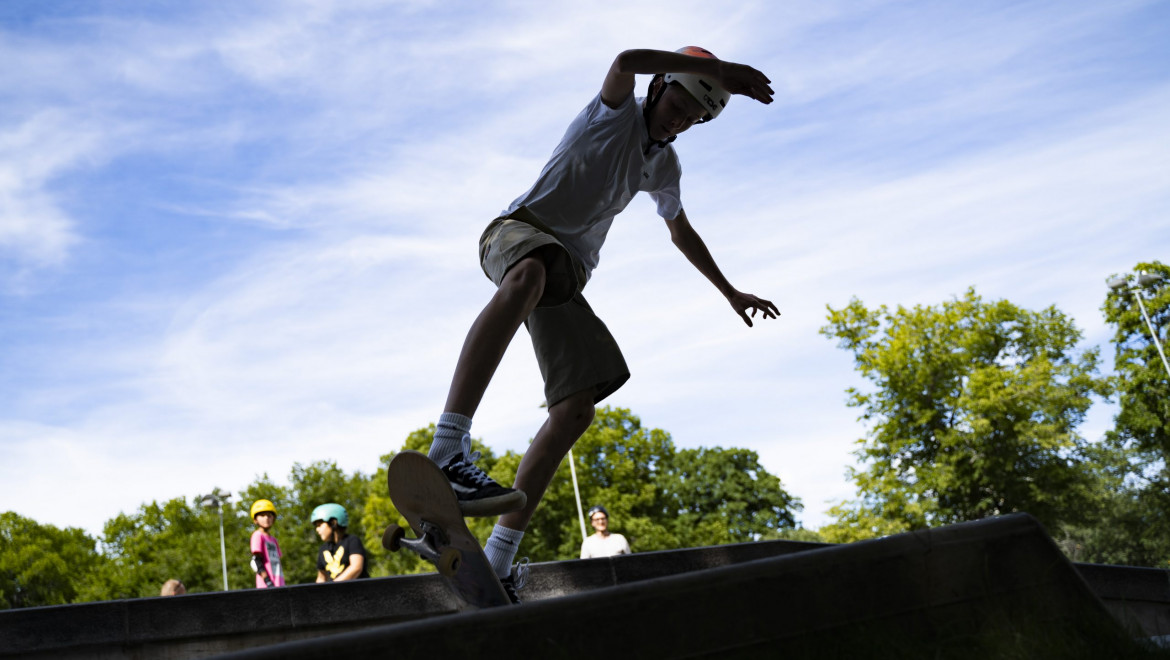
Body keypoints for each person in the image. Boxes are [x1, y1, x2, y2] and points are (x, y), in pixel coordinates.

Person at [423, 46, 778, 604]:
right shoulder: (612, 112)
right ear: (660, 87)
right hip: (517, 234)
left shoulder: (663, 164)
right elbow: (625, 58)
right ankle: (448, 446)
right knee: (529, 274)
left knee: (576, 409)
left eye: (693, 118)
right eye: (677, 103)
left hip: (566, 276)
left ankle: (498, 558)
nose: (679, 120)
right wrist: (723, 72)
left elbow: (679, 230)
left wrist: (730, 290)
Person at [312, 503, 369, 582]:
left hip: (359, 592)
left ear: (333, 523)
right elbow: (321, 577)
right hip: (337, 593)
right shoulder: (323, 549)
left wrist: (334, 587)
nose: (317, 529)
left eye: (320, 525)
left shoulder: (352, 541)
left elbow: (356, 567)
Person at [249, 499, 285, 588]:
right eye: (262, 515)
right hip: (266, 585)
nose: (266, 518)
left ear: (274, 518)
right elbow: (257, 561)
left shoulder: (273, 540)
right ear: (255, 519)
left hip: (279, 583)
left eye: (269, 516)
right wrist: (267, 581)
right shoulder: (257, 535)